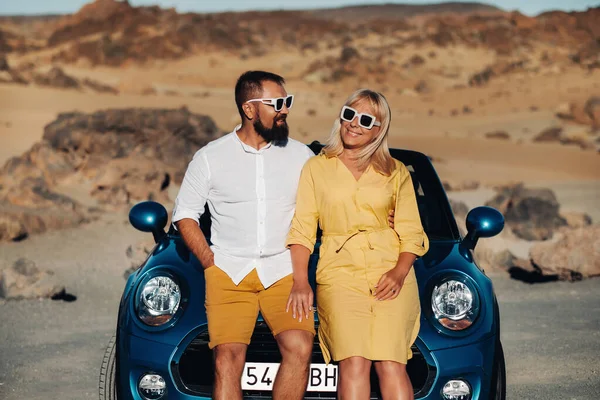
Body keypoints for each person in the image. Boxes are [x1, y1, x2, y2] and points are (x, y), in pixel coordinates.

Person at [172, 71, 316, 400]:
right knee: (227, 359)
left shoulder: (302, 156)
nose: (285, 110)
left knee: (300, 347)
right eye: (277, 103)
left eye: (287, 101)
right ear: (249, 109)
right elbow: (185, 215)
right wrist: (209, 261)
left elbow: (326, 206)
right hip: (228, 273)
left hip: (284, 272)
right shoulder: (210, 157)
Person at [286, 89, 429, 399]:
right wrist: (300, 281)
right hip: (339, 275)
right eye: (349, 114)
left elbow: (411, 231)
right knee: (353, 362)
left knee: (391, 363)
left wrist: (399, 272)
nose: (354, 124)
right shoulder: (317, 168)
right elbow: (302, 229)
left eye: (366, 120)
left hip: (391, 272)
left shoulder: (396, 172)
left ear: (379, 129)